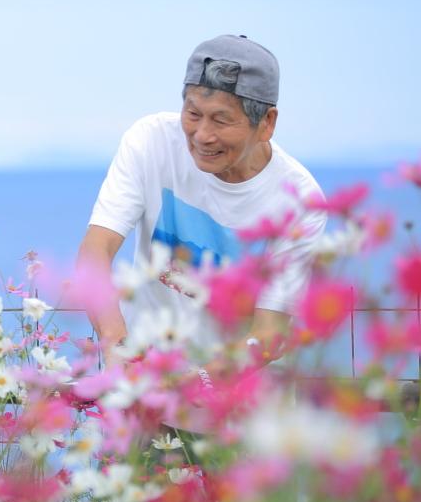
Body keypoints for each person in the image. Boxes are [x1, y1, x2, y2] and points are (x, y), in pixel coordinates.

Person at [76, 35, 326, 371]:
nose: (202, 135)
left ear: (266, 123)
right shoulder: (152, 141)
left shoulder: (300, 199)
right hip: (146, 388)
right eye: (193, 113)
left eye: (221, 120)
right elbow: (96, 251)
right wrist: (119, 346)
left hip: (242, 403)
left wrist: (194, 383)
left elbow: (269, 332)